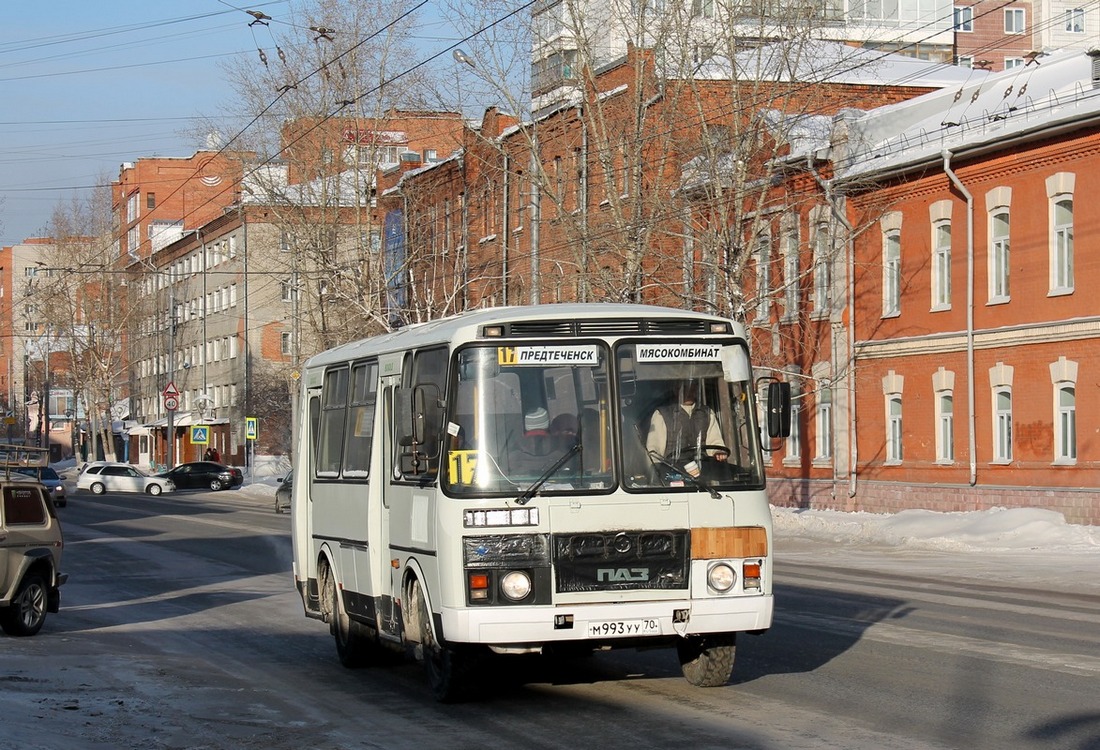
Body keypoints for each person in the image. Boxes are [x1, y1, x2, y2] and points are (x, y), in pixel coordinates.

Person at [646, 380, 727, 462]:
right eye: (684, 387)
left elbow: (715, 442)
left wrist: (718, 453)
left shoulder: (707, 413)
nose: (689, 391)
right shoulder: (662, 414)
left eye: (692, 386)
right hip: (673, 470)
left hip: (704, 467)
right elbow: (654, 451)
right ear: (676, 390)